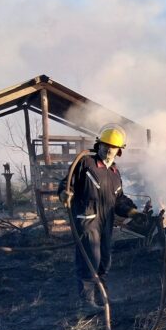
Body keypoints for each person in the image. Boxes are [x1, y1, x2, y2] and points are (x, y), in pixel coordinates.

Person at [58, 126, 148, 315]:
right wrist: (64, 194)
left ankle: (101, 297)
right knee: (90, 259)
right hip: (87, 219)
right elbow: (67, 184)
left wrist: (132, 212)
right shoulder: (86, 163)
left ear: (119, 151)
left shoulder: (114, 173)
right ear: (98, 145)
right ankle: (86, 303)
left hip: (106, 222)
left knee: (104, 260)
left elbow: (119, 199)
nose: (108, 150)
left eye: (113, 147)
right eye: (105, 145)